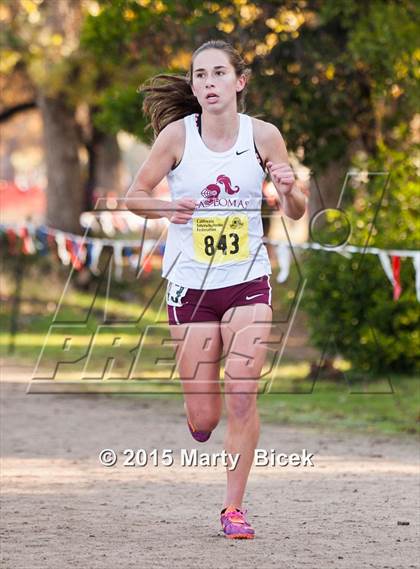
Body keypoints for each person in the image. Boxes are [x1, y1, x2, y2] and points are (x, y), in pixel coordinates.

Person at [125, 39, 306, 539]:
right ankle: (201, 422)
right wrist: (166, 209)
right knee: (205, 416)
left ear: (239, 81)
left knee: (244, 394)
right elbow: (134, 196)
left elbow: (296, 212)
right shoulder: (176, 138)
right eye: (200, 75)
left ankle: (233, 509)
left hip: (247, 280)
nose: (208, 83)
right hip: (190, 285)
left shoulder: (265, 136)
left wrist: (291, 189)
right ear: (194, 85)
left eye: (218, 73)